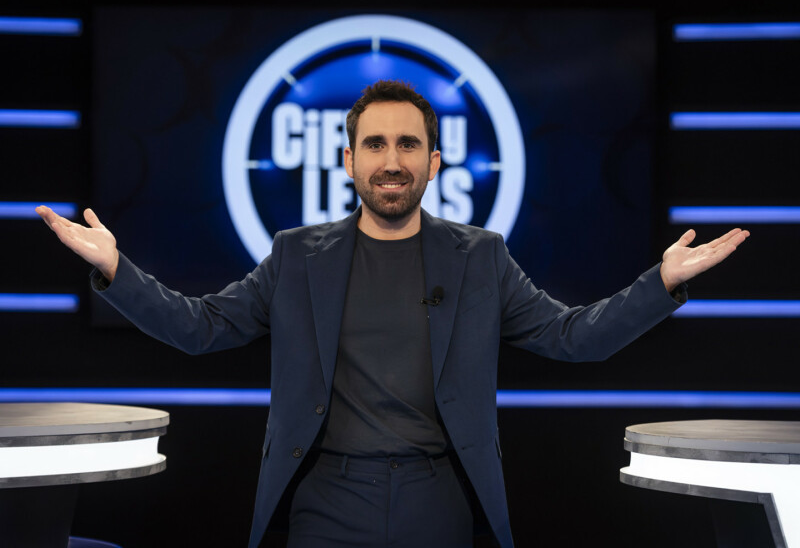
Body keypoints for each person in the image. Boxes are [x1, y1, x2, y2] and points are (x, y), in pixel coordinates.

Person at [37, 80, 749, 548]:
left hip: (438, 499)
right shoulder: (296, 255)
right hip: (326, 499)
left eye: (409, 144)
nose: (392, 160)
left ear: (434, 162)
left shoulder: (480, 257)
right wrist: (116, 270)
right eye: (375, 144)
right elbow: (201, 328)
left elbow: (572, 338)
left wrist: (660, 283)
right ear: (349, 159)